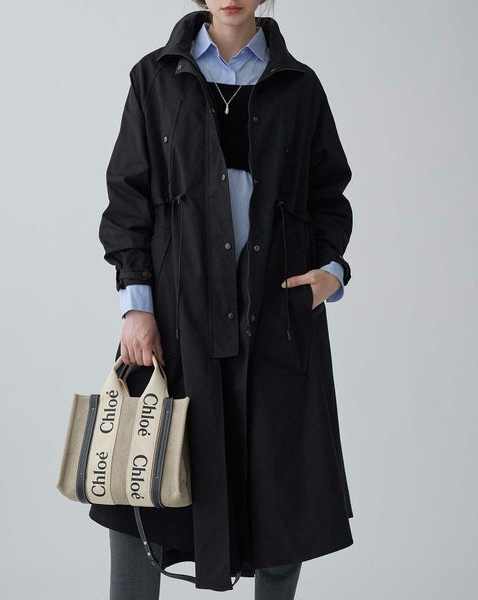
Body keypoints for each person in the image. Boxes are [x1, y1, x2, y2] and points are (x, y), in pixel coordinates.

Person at [91, 1, 355, 597]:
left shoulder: (299, 86)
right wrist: (136, 304)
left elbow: (329, 194)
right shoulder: (155, 76)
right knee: (140, 493)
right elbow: (128, 194)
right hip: (175, 317)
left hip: (276, 316)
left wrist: (332, 273)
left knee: (282, 500)